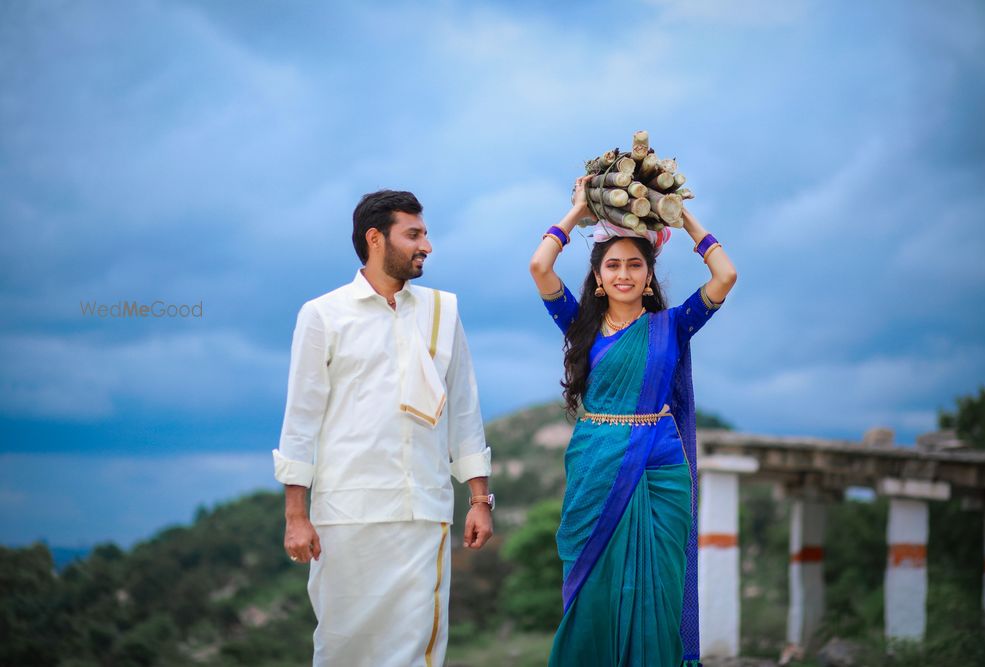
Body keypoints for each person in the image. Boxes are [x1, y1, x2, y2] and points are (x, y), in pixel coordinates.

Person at [273, 189, 495, 667]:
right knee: (341, 646)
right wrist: (296, 515)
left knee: (417, 649)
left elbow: (463, 409)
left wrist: (480, 499)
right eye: (413, 234)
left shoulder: (443, 311)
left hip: (424, 510)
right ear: (376, 239)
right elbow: (301, 417)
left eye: (426, 233)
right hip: (345, 512)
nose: (427, 246)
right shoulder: (323, 315)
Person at [529, 175, 737, 666]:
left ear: (649, 276)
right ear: (599, 279)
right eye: (614, 265)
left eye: (635, 264)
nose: (624, 273)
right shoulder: (578, 323)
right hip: (595, 466)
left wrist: (679, 215)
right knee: (595, 589)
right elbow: (540, 266)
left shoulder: (673, 326)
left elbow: (724, 276)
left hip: (661, 468)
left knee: (660, 589)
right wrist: (578, 213)